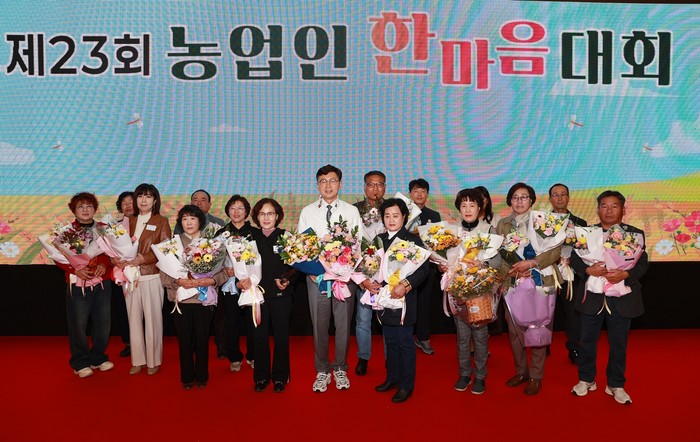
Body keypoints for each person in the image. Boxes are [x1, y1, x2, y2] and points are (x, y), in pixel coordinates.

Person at [570, 190, 648, 405]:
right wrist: (588, 270)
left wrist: (626, 274)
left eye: (614, 206)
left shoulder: (635, 234)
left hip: (621, 297)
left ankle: (616, 384)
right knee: (586, 341)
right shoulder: (587, 233)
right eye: (604, 206)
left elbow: (642, 263)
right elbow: (575, 259)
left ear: (623, 209)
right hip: (591, 296)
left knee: (619, 343)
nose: (609, 210)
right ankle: (586, 379)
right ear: (598, 209)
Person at [298, 164, 362, 392]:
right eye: (323, 181)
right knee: (319, 326)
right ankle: (322, 370)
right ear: (317, 185)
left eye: (332, 180)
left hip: (344, 280)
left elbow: (358, 244)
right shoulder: (307, 212)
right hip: (317, 279)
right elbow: (302, 247)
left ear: (340, 184)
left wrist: (346, 271)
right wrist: (312, 270)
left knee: (344, 325)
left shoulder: (351, 211)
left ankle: (341, 368)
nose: (328, 185)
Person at [496, 182, 562, 395]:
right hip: (513, 282)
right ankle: (521, 371)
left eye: (524, 197)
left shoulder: (544, 221)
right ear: (510, 201)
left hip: (541, 280)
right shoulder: (503, 224)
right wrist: (512, 272)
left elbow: (554, 252)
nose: (519, 201)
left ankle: (536, 375)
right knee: (515, 331)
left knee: (538, 327)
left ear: (531, 200)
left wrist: (531, 264)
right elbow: (498, 256)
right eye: (515, 197)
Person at [161, 205, 227, 389]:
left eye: (193, 218)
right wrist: (178, 282)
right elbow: (163, 275)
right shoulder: (172, 244)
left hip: (203, 299)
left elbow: (223, 272)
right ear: (180, 222)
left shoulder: (212, 244)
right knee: (184, 340)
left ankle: (202, 376)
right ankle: (187, 377)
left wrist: (211, 280)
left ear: (200, 221)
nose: (189, 223)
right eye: (184, 219)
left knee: (202, 339)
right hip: (181, 300)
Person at [373, 198, 429, 403]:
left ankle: (406, 385)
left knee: (405, 343)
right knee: (390, 341)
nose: (391, 219)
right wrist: (369, 281)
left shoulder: (412, 240)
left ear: (404, 217)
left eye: (395, 215)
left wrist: (405, 284)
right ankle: (392, 378)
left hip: (404, 300)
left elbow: (423, 270)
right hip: (385, 299)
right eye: (387, 216)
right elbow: (370, 265)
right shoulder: (378, 240)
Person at [53, 192, 113, 378]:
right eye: (80, 206)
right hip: (78, 283)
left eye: (89, 206)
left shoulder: (104, 228)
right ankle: (80, 362)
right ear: (74, 210)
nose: (85, 210)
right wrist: (74, 269)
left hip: (102, 282)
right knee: (78, 324)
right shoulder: (66, 232)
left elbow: (112, 252)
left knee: (103, 322)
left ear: (95, 209)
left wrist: (105, 264)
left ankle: (98, 357)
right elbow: (58, 257)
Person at [445, 188, 498, 394]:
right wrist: (444, 266)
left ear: (479, 208)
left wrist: (482, 264)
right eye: (464, 205)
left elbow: (497, 259)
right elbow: (444, 257)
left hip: (479, 291)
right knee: (462, 335)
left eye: (472, 205)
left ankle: (481, 375)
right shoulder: (451, 232)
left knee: (480, 335)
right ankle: (464, 373)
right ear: (459, 208)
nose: (468, 209)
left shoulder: (489, 230)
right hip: (458, 289)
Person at [239, 198, 296, 392]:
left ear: (277, 216)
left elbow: (295, 266)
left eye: (270, 213)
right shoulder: (249, 238)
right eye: (262, 214)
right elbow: (241, 266)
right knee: (259, 338)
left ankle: (280, 377)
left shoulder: (286, 237)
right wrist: (241, 280)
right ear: (256, 216)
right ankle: (261, 377)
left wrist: (287, 279)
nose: (266, 217)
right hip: (257, 297)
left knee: (281, 337)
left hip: (281, 296)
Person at [116, 183, 171, 375]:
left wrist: (144, 259)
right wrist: (116, 259)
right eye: (140, 196)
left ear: (155, 200)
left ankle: (153, 360)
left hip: (151, 276)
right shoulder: (127, 221)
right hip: (129, 277)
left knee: (153, 319)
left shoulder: (161, 221)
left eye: (148, 196)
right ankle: (137, 360)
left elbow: (165, 249)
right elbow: (116, 246)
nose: (144, 200)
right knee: (133, 320)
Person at [215, 195, 257, 372]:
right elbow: (213, 259)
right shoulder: (221, 233)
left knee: (252, 322)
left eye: (240, 208)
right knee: (231, 322)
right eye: (232, 208)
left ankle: (253, 355)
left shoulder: (255, 232)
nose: (236, 212)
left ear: (246, 212)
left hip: (249, 283)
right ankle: (234, 357)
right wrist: (225, 269)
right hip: (229, 283)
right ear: (228, 211)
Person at [548, 183, 588, 364]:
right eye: (555, 195)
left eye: (563, 194)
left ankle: (574, 348)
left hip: (571, 274)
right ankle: (542, 344)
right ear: (550, 199)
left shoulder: (580, 223)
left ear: (568, 198)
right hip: (548, 271)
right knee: (545, 312)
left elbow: (585, 250)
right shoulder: (542, 222)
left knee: (573, 314)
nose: (559, 198)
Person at [353, 170, 386, 376]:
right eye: (371, 184)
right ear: (365, 187)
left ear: (385, 187)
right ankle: (363, 357)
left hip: (387, 274)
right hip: (363, 273)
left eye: (379, 184)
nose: (375, 188)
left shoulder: (392, 209)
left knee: (389, 320)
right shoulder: (354, 210)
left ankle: (391, 358)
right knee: (363, 319)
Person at [408, 178, 441, 355]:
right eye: (416, 191)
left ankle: (423, 337)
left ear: (427, 194)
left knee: (424, 303)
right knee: (406, 304)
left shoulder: (434, 215)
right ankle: (406, 337)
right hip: (405, 266)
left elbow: (438, 242)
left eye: (423, 191)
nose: (419, 194)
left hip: (427, 267)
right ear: (410, 194)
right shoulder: (403, 213)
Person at [114, 191, 134, 358]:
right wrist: (114, 259)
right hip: (120, 273)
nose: (128, 206)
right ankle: (128, 342)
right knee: (123, 309)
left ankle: (145, 341)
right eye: (124, 203)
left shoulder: (145, 222)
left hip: (140, 272)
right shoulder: (115, 226)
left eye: (131, 202)